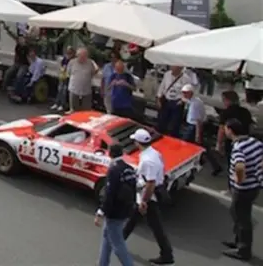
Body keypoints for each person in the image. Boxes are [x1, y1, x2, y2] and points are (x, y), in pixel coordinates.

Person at [122, 129, 174, 265]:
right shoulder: (154, 153)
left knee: (155, 226)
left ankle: (167, 254)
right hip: (147, 193)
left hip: (149, 196)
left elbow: (151, 183)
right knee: (133, 219)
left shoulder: (147, 160)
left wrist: (144, 201)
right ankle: (119, 240)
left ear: (137, 143)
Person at [222, 118, 263, 260]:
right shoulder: (255, 142)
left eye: (226, 128)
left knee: (241, 217)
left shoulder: (238, 148)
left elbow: (239, 166)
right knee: (238, 213)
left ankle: (243, 250)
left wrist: (239, 179)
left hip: (243, 189)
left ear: (230, 130)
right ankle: (238, 241)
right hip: (254, 186)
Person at [95, 143, 136, 266]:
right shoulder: (129, 169)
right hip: (126, 209)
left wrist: (101, 211)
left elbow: (109, 193)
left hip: (114, 212)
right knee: (107, 236)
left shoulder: (113, 170)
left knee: (118, 244)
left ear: (109, 153)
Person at [180, 84, 223, 174]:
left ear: (190, 93)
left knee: (186, 144)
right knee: (202, 147)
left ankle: (187, 164)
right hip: (194, 127)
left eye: (185, 93)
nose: (184, 95)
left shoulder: (195, 105)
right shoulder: (195, 101)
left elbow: (198, 121)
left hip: (193, 127)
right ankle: (211, 164)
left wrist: (197, 135)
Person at [216, 91, 254, 172]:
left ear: (228, 100)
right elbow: (251, 127)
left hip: (231, 141)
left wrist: (219, 144)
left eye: (224, 100)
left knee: (233, 163)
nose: (223, 102)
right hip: (245, 140)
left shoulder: (225, 113)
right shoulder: (245, 111)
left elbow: (221, 130)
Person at [157, 65, 196, 137]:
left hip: (177, 102)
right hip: (166, 100)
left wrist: (182, 101)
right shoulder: (167, 74)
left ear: (180, 68)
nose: (172, 68)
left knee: (174, 124)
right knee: (162, 121)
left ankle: (172, 137)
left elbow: (189, 93)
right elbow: (162, 86)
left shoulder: (186, 78)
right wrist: (159, 98)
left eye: (174, 67)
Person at [52, 47, 75, 111]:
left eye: (70, 52)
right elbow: (62, 65)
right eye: (67, 52)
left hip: (68, 77)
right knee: (59, 89)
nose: (68, 54)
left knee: (64, 91)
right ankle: (57, 103)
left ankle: (62, 104)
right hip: (62, 75)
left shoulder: (73, 60)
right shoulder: (65, 58)